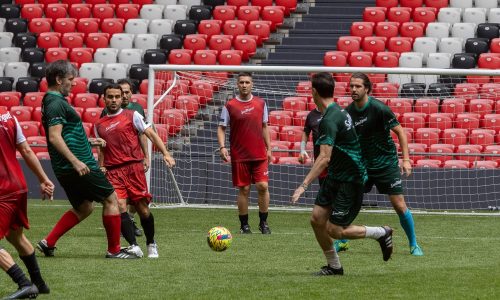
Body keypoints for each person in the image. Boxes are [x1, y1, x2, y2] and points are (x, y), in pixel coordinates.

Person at [291, 72, 393, 276]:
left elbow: (324, 158)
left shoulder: (329, 119)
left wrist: (303, 185)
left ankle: (381, 233)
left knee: (335, 230)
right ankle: (334, 266)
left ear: (314, 92)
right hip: (335, 177)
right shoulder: (338, 111)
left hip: (350, 180)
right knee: (317, 219)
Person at [37, 60, 139, 259]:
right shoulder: (55, 102)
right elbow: (54, 136)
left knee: (84, 207)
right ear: (59, 80)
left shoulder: (51, 101)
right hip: (78, 165)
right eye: (70, 79)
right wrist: (76, 161)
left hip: (66, 167)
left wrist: (88, 140)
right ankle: (114, 251)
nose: (73, 83)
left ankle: (48, 242)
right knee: (111, 199)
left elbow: (64, 133)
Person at [345, 73, 423, 256]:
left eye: (357, 86)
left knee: (398, 204)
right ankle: (342, 239)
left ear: (367, 89)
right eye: (351, 86)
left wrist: (405, 160)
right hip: (363, 164)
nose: (354, 90)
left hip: (385, 163)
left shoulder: (380, 109)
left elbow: (400, 132)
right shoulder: (348, 112)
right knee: (348, 200)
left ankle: (414, 244)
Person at [94, 84, 175, 258]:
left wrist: (165, 153)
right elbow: (102, 149)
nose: (114, 100)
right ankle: (133, 245)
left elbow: (151, 134)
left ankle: (151, 243)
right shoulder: (99, 124)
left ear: (122, 97)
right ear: (104, 98)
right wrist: (101, 165)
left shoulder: (132, 115)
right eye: (110, 97)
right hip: (113, 171)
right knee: (119, 205)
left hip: (134, 169)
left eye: (117, 96)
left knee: (143, 210)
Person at [0, 106, 54, 299]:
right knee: (16, 237)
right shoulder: (8, 116)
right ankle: (39, 284)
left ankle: (24, 283)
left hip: (2, 190)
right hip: (18, 186)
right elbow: (26, 150)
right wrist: (43, 179)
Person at [217, 72, 273, 234]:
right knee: (245, 189)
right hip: (239, 155)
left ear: (252, 84)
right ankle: (244, 225)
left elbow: (264, 127)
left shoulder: (261, 104)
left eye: (247, 82)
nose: (244, 85)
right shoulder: (230, 106)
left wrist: (269, 148)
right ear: (237, 84)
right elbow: (221, 128)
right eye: (241, 82)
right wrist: (222, 147)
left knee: (263, 186)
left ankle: (263, 223)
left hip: (259, 154)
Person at [298, 108, 350, 253]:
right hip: (321, 165)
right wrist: (302, 150)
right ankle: (341, 238)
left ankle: (343, 238)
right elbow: (305, 133)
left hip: (337, 164)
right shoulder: (311, 115)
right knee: (328, 202)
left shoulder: (338, 113)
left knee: (336, 202)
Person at [100, 79, 147, 237]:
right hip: (115, 164)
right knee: (119, 200)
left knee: (138, 201)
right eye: (123, 93)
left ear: (131, 93)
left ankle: (131, 219)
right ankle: (124, 227)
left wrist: (146, 157)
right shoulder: (106, 113)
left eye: (127, 92)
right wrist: (102, 164)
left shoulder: (137, 110)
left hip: (134, 162)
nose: (124, 96)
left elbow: (143, 135)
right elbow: (103, 141)